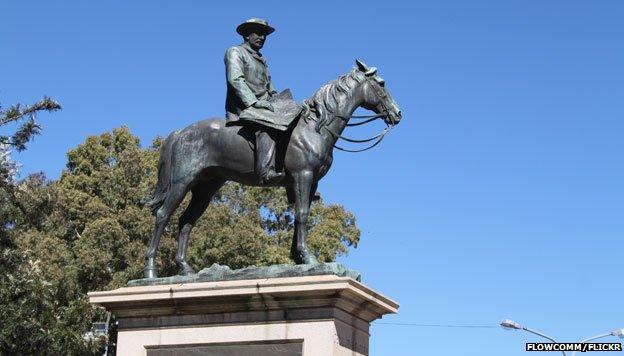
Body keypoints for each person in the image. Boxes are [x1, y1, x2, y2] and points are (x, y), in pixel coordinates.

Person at [224, 18, 284, 184]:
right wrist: (253, 102)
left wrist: (280, 101)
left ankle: (293, 184)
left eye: (264, 35)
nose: (262, 37)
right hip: (244, 107)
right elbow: (235, 80)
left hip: (264, 105)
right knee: (268, 124)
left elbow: (270, 88)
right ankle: (266, 172)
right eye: (258, 33)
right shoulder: (235, 52)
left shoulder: (262, 60)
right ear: (246, 35)